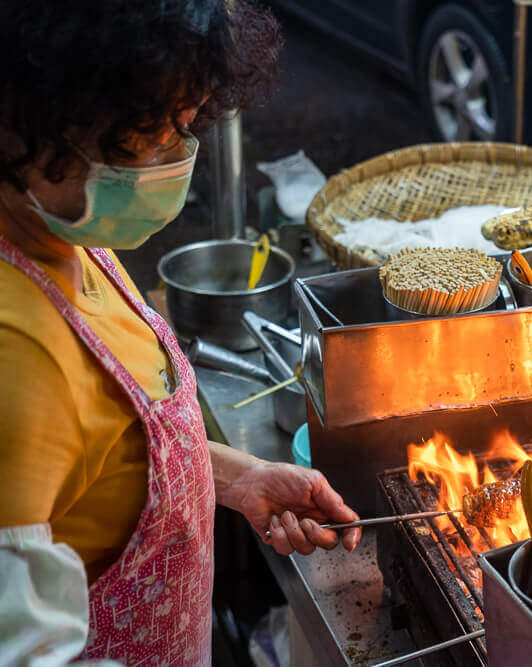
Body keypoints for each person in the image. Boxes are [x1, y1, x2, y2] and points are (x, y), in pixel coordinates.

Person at [0, 2, 361, 664]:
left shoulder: (55, 229)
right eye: (149, 136)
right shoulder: (17, 362)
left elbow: (107, 451)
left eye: (185, 128)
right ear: (38, 122)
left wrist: (233, 475)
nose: (176, 158)